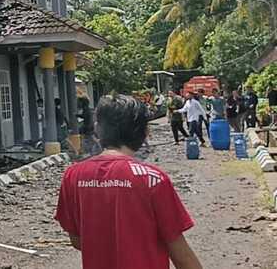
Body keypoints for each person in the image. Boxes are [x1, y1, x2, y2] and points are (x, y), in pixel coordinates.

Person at [55, 95, 202, 269]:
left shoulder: (73, 175)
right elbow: (180, 254)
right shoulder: (152, 179)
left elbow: (77, 240)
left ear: (97, 130)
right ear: (145, 132)